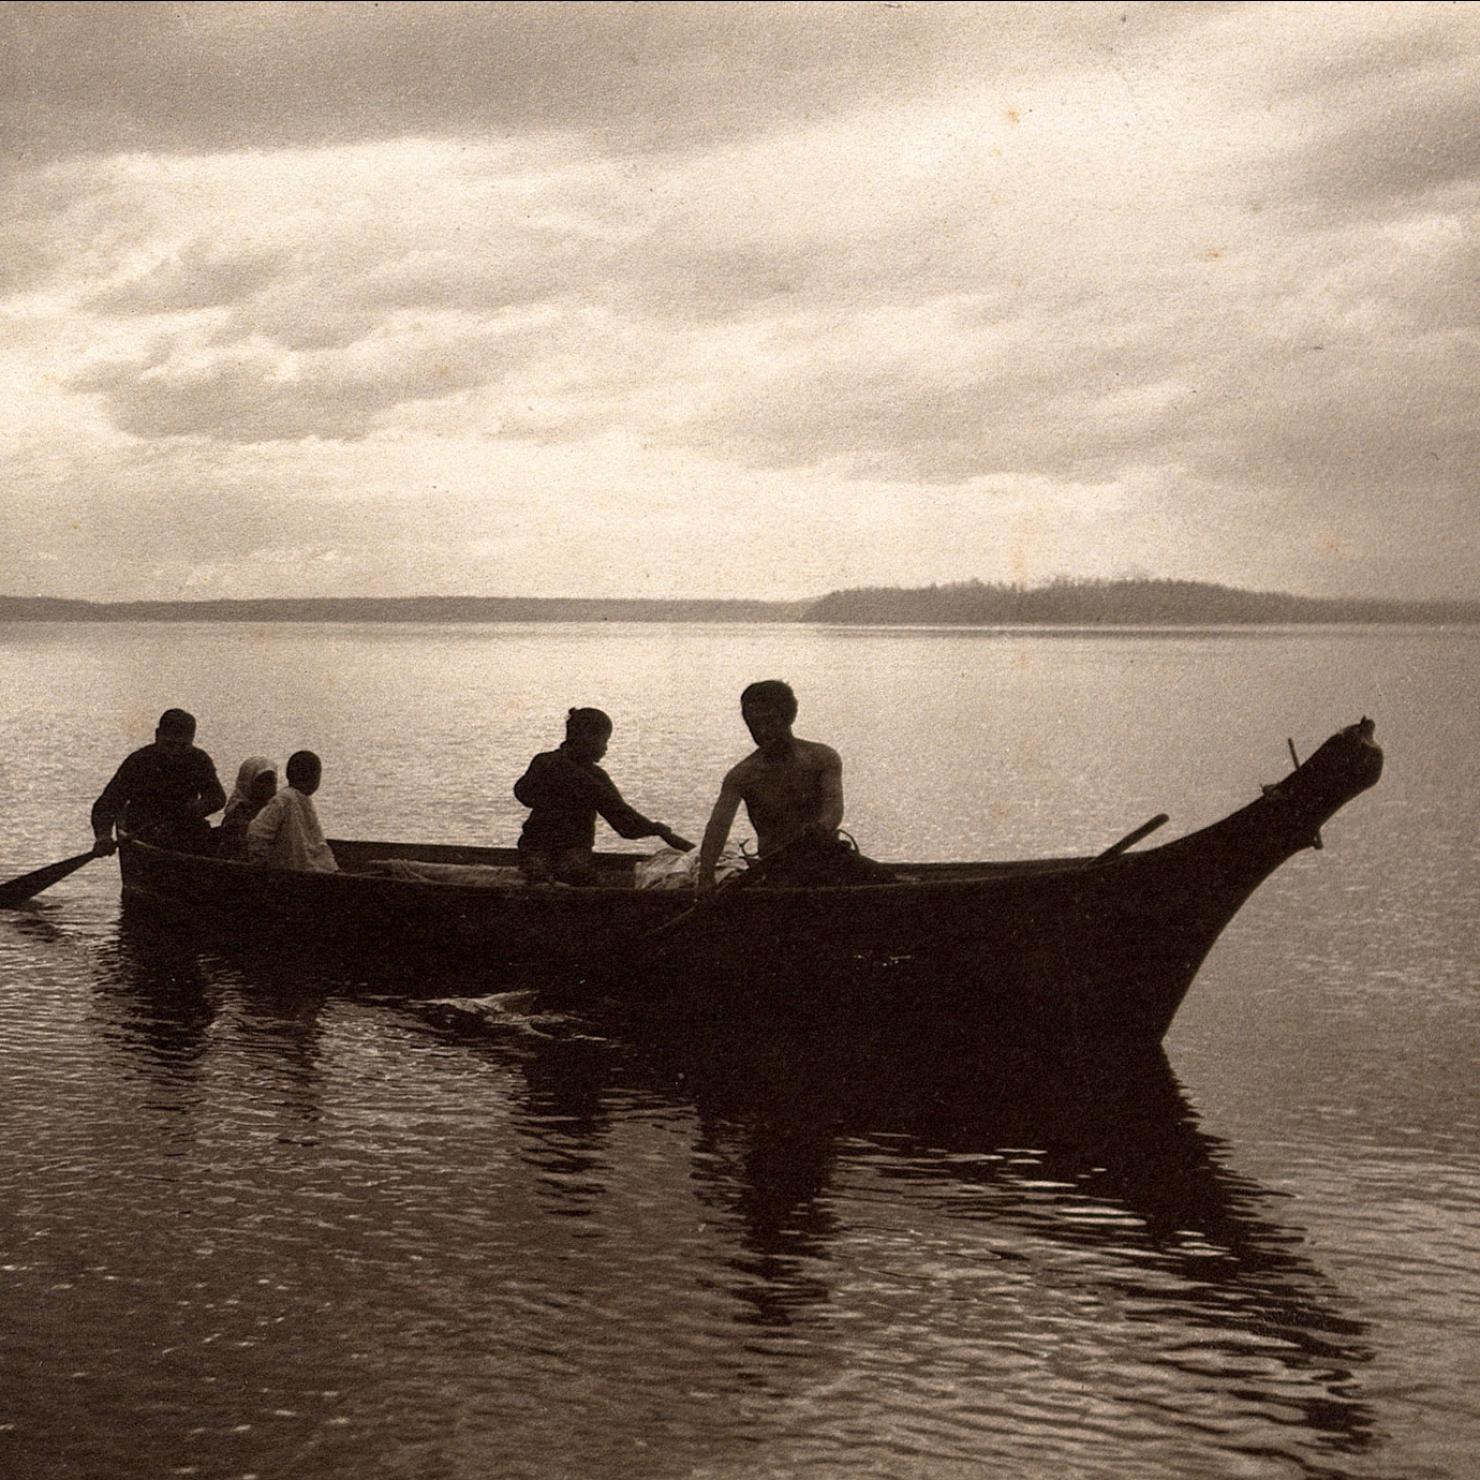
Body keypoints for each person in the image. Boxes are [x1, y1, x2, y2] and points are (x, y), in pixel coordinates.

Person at [697, 680, 851, 891]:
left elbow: (834, 810)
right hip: (778, 871)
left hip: (828, 860)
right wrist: (705, 877)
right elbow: (718, 828)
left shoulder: (822, 758)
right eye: (754, 724)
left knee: (883, 879)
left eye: (770, 722)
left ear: (789, 717)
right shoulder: (742, 776)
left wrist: (821, 828)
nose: (763, 731)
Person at [514, 707, 694, 886]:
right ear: (585, 738)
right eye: (603, 741)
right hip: (550, 849)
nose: (605, 748)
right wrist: (658, 830)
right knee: (571, 872)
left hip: (545, 849)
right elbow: (624, 822)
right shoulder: (588, 776)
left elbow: (523, 794)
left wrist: (657, 829)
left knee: (558, 869)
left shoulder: (546, 762)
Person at [91, 707, 227, 855]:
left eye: (182, 746)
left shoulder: (199, 760)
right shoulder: (139, 761)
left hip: (184, 830)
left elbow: (217, 797)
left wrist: (195, 810)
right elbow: (107, 804)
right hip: (143, 830)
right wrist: (103, 836)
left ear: (192, 739)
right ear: (157, 735)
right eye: (169, 744)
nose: (175, 752)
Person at [246, 750, 338, 873]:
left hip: (301, 869)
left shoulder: (302, 799)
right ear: (314, 777)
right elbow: (257, 832)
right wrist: (265, 864)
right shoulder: (284, 799)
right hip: (290, 872)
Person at [218, 757, 278, 859]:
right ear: (248, 783)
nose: (267, 787)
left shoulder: (274, 812)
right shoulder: (237, 815)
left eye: (271, 781)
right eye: (261, 781)